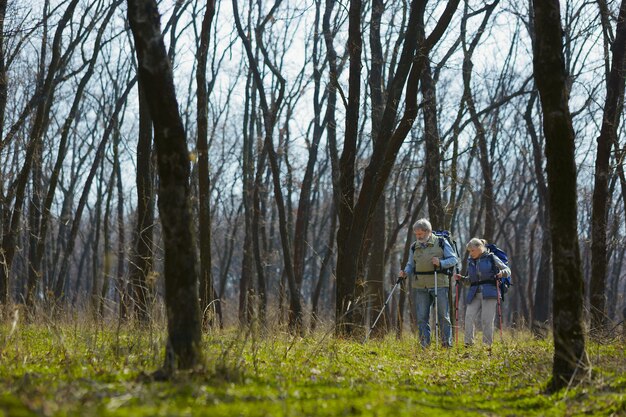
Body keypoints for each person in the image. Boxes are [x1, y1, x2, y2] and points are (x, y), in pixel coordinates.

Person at [400, 218, 458, 348]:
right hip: (420, 285)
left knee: (443, 316)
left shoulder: (441, 242)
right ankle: (424, 345)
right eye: (416, 234)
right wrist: (405, 272)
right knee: (421, 317)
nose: (418, 236)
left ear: (428, 231)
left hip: (439, 283)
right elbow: (410, 264)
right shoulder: (414, 246)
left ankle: (446, 344)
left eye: (420, 234)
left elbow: (454, 259)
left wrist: (441, 263)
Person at [454, 238, 511, 348]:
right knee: (469, 317)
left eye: (472, 250)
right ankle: (468, 344)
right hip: (474, 293)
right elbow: (470, 281)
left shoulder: (491, 257)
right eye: (469, 251)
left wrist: (501, 273)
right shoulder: (471, 261)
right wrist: (461, 278)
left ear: (479, 248)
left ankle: (487, 346)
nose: (470, 253)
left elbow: (507, 270)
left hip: (490, 293)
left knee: (486, 320)